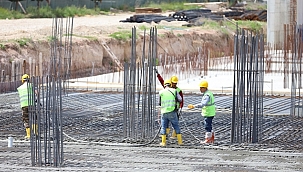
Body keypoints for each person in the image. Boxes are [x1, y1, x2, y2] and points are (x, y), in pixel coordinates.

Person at [154, 68, 184, 139]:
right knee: (166, 123)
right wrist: (158, 75)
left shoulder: (178, 90)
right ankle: (166, 134)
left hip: (175, 108)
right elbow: (162, 82)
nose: (174, 84)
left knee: (175, 123)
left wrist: (180, 107)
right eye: (173, 83)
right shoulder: (168, 88)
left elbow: (181, 100)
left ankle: (174, 135)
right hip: (167, 108)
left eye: (175, 83)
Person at [159, 79, 183, 146]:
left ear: (164, 85)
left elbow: (159, 103)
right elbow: (180, 99)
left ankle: (163, 142)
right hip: (172, 111)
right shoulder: (174, 91)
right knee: (176, 126)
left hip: (164, 112)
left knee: (163, 127)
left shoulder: (161, 92)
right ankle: (180, 142)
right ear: (171, 84)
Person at [17, 74, 36, 139]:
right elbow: (37, 93)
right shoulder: (32, 86)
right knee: (34, 119)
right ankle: (36, 133)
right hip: (32, 104)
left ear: (22, 80)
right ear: (29, 80)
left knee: (26, 120)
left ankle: (28, 135)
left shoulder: (19, 88)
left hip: (24, 106)